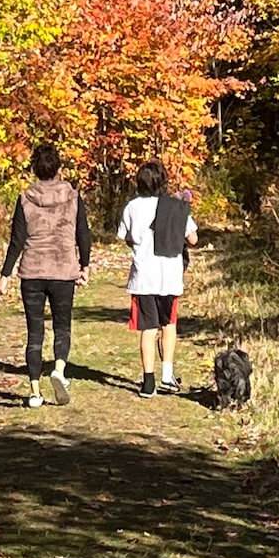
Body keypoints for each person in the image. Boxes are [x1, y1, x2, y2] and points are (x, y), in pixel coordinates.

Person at [0, 143, 92, 408]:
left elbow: (17, 240)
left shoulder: (25, 198)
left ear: (35, 170)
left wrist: (5, 275)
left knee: (34, 332)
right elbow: (83, 233)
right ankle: (59, 370)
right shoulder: (72, 196)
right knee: (62, 326)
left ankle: (35, 392)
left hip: (33, 272)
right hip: (63, 269)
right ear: (59, 169)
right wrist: (84, 265)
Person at [117, 160, 198, 398]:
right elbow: (193, 239)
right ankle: (167, 375)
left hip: (143, 276)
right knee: (169, 324)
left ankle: (148, 382)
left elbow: (126, 236)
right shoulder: (174, 206)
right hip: (169, 275)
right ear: (163, 182)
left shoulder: (131, 207)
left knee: (148, 329)